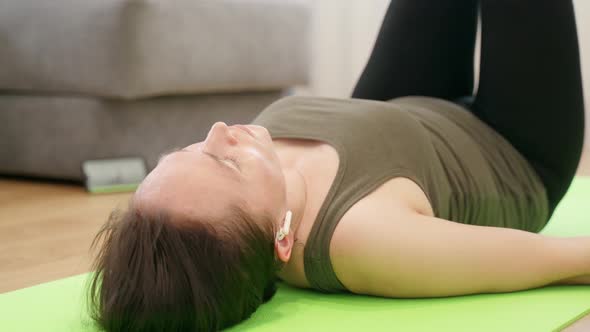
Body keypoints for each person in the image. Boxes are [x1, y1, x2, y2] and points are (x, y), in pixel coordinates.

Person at [88, 0, 589, 331]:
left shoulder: (255, 189)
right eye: (228, 165)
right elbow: (560, 260)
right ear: (282, 239)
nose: (221, 130)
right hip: (514, 146)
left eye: (188, 150)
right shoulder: (361, 239)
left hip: (404, 109)